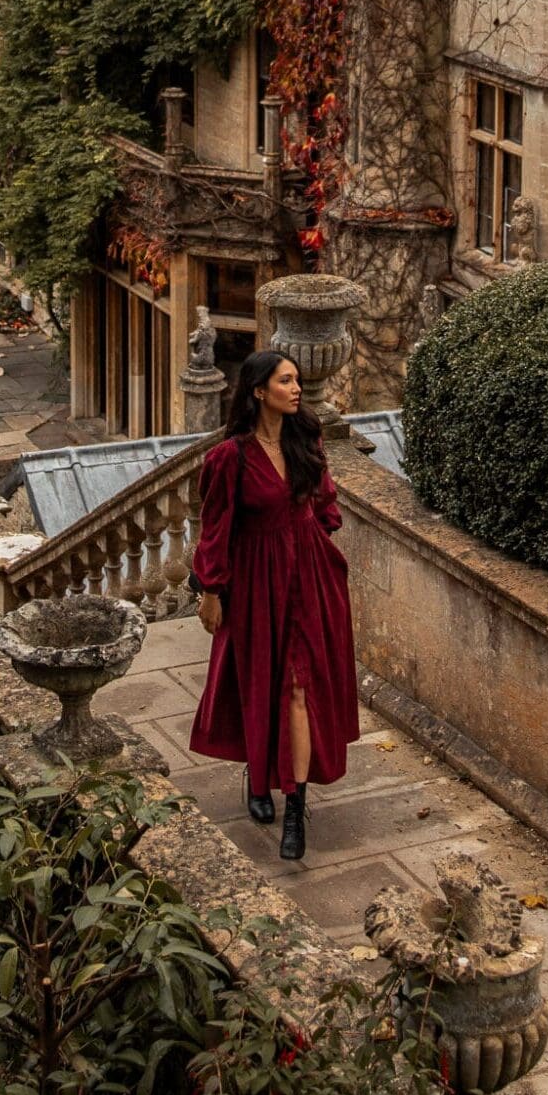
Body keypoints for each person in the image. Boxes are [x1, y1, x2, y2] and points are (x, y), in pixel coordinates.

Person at [188, 349, 359, 860]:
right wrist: (212, 591)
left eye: (298, 380)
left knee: (299, 688)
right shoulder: (230, 458)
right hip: (255, 583)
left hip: (308, 581)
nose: (297, 388)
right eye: (286, 381)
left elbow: (325, 502)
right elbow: (215, 528)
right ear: (259, 390)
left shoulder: (306, 437)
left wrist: (317, 548)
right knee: (260, 682)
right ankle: (258, 777)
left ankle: (295, 810)